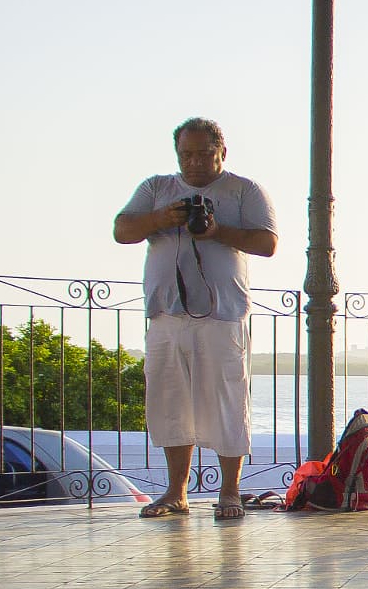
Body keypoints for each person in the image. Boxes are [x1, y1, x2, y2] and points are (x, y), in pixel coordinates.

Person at [113, 118, 279, 521]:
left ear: (222, 152)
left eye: (204, 154)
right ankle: (176, 493)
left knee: (226, 402)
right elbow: (121, 230)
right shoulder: (156, 189)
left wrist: (219, 231)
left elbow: (267, 242)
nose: (194, 163)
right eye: (186, 154)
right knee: (170, 404)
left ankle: (230, 491)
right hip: (167, 315)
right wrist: (160, 219)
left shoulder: (244, 190)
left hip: (222, 315)